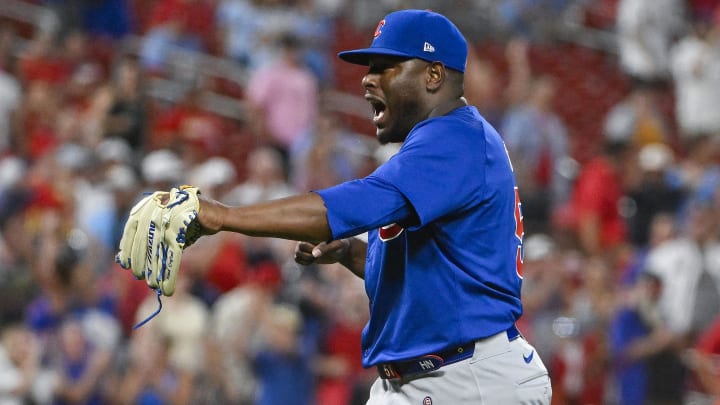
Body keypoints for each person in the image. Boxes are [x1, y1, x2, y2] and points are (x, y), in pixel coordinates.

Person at [127, 9, 552, 404]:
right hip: (430, 377)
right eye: (370, 68)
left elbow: (352, 204)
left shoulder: (454, 139)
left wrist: (222, 215)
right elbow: (434, 276)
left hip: (470, 381)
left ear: (434, 75)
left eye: (387, 67)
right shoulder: (437, 147)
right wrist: (350, 252)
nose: (368, 80)